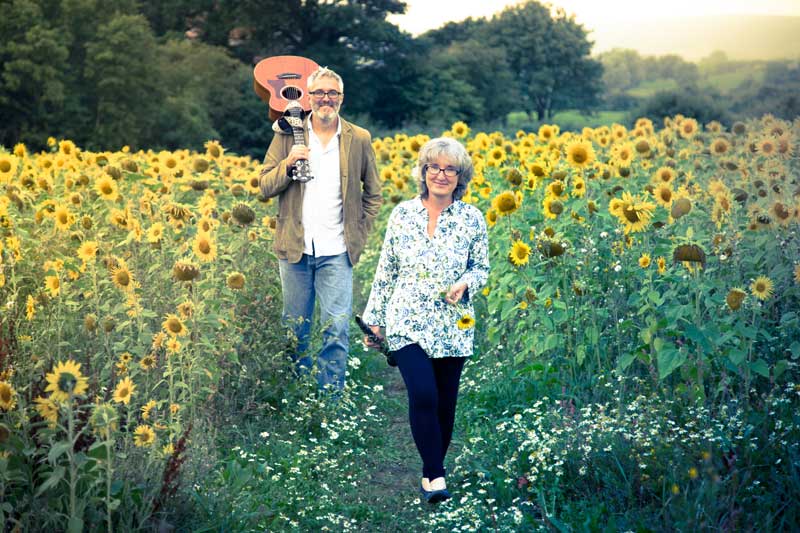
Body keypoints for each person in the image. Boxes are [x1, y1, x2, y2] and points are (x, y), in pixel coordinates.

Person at [361, 137, 489, 503]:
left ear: (460, 177)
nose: (441, 175)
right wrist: (375, 320)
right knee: (423, 394)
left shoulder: (472, 218)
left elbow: (481, 268)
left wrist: (465, 283)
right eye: (434, 167)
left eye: (450, 169)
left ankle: (431, 469)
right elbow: (387, 270)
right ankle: (435, 475)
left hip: (453, 324)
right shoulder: (402, 214)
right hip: (407, 321)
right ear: (424, 172)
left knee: (445, 404)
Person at [259, 66, 382, 394]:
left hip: (337, 251)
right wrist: (288, 164)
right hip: (294, 249)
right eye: (319, 93)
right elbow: (264, 186)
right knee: (294, 331)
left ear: (341, 98)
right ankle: (297, 398)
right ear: (309, 97)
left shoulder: (359, 138)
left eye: (332, 93)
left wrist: (360, 232)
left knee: (336, 330)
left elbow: (374, 193)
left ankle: (330, 401)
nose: (326, 99)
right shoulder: (288, 134)